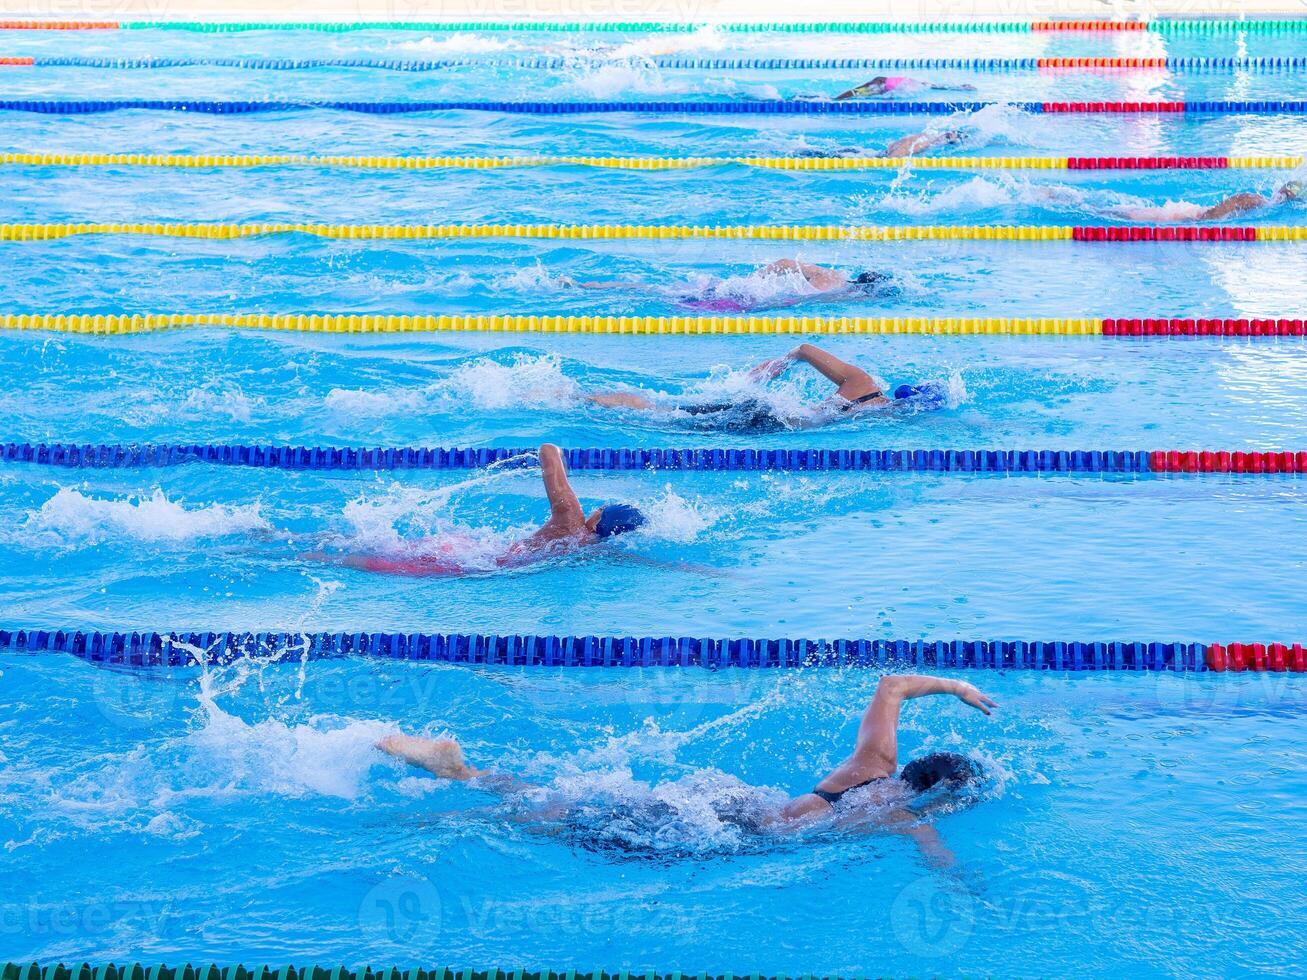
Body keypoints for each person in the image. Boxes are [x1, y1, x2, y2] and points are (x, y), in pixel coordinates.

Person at [376, 674, 996, 862]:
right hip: (724, 833)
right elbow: (943, 866)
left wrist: (956, 687)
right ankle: (458, 785)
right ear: (933, 797)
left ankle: (469, 775)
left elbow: (891, 686)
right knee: (557, 824)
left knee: (579, 803)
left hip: (730, 802)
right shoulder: (900, 819)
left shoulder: (873, 762)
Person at [303, 443, 643, 576]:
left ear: (597, 518)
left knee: (357, 553)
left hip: (467, 555)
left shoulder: (571, 520)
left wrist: (564, 463)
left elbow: (547, 451)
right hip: (478, 566)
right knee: (371, 558)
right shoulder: (592, 552)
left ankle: (293, 548)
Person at [586, 341, 944, 432]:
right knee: (664, 415)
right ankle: (583, 399)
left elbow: (804, 349)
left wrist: (778, 366)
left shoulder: (861, 383)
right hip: (771, 421)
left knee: (669, 410)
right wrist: (776, 367)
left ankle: (587, 398)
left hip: (770, 410)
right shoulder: (880, 416)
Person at [562, 258, 894, 313]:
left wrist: (756, 280)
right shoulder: (835, 288)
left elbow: (784, 264)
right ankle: (582, 287)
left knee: (655, 289)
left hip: (738, 290)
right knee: (663, 297)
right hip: (744, 299)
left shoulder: (831, 276)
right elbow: (786, 267)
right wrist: (757, 287)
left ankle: (582, 286)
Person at [1115, 180, 1302, 222]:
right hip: (1190, 215)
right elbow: (1237, 200)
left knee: (1133, 214)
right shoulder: (1260, 201)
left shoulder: (1264, 202)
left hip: (1192, 213)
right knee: (1130, 216)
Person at [833, 76, 978, 100]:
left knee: (856, 93)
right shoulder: (921, 84)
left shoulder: (918, 83)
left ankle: (834, 99)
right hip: (886, 85)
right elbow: (940, 88)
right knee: (856, 93)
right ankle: (834, 99)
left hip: (886, 83)